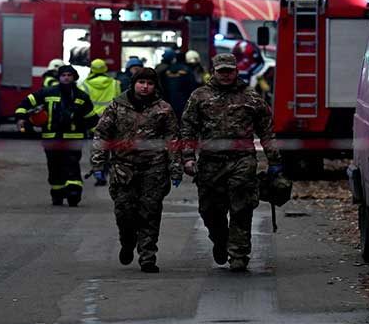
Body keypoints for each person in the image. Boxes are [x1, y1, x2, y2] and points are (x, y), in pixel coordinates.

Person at [180, 53, 282, 272]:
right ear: (213, 72)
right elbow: (188, 128)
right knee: (209, 210)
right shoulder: (199, 97)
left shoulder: (250, 97)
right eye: (221, 71)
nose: (225, 75)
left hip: (241, 161)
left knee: (242, 208)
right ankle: (220, 239)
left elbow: (266, 130)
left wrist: (274, 160)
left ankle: (239, 254)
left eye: (229, 71)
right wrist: (188, 158)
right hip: (210, 163)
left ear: (236, 71)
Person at [91, 67, 182, 273]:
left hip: (154, 169)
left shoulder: (163, 109)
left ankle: (147, 256)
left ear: (154, 87)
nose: (145, 87)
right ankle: (128, 241)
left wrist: (175, 167)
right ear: (134, 84)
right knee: (124, 213)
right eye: (141, 82)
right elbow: (102, 135)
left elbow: (173, 141)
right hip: (123, 169)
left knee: (150, 213)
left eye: (149, 84)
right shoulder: (117, 106)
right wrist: (98, 163)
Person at [16, 65, 97, 206]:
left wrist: (99, 133)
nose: (66, 77)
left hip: (73, 139)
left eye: (69, 75)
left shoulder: (82, 97)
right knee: (54, 166)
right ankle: (57, 193)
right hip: (51, 138)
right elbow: (26, 102)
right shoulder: (47, 93)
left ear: (74, 77)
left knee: (72, 165)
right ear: (59, 77)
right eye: (63, 75)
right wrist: (21, 117)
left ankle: (74, 193)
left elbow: (91, 118)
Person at [160, 52, 197, 119]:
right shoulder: (188, 70)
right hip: (184, 101)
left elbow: (163, 86)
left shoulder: (167, 70)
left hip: (169, 101)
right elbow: (192, 87)